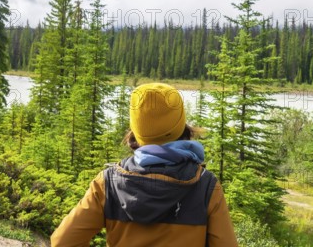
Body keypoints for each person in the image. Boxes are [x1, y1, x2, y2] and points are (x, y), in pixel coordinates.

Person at [50, 82, 238, 247]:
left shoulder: (107, 183)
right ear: (181, 126)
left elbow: (62, 242)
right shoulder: (206, 186)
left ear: (136, 129)